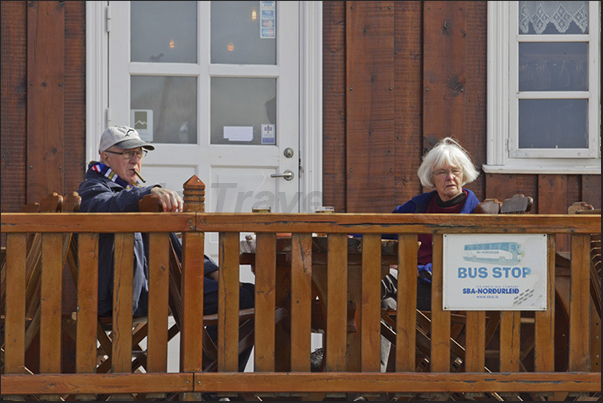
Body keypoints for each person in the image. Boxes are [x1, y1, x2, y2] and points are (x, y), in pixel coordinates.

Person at [78, 125, 254, 372]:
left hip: (155, 286)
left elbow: (175, 245)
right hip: (131, 293)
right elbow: (103, 206)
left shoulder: (128, 192)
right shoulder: (94, 187)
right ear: (105, 157)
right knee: (243, 298)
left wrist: (211, 270)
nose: (136, 160)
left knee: (245, 293)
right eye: (128, 153)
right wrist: (147, 193)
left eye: (139, 154)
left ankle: (210, 378)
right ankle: (210, 383)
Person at [380, 136, 480, 371]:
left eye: (455, 171)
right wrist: (351, 238)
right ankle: (374, 380)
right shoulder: (419, 205)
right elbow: (383, 229)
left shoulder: (474, 213)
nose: (450, 177)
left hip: (447, 290)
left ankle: (336, 328)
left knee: (378, 283)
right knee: (379, 301)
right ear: (431, 178)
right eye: (442, 172)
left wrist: (415, 271)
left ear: (464, 174)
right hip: (409, 288)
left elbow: (460, 262)